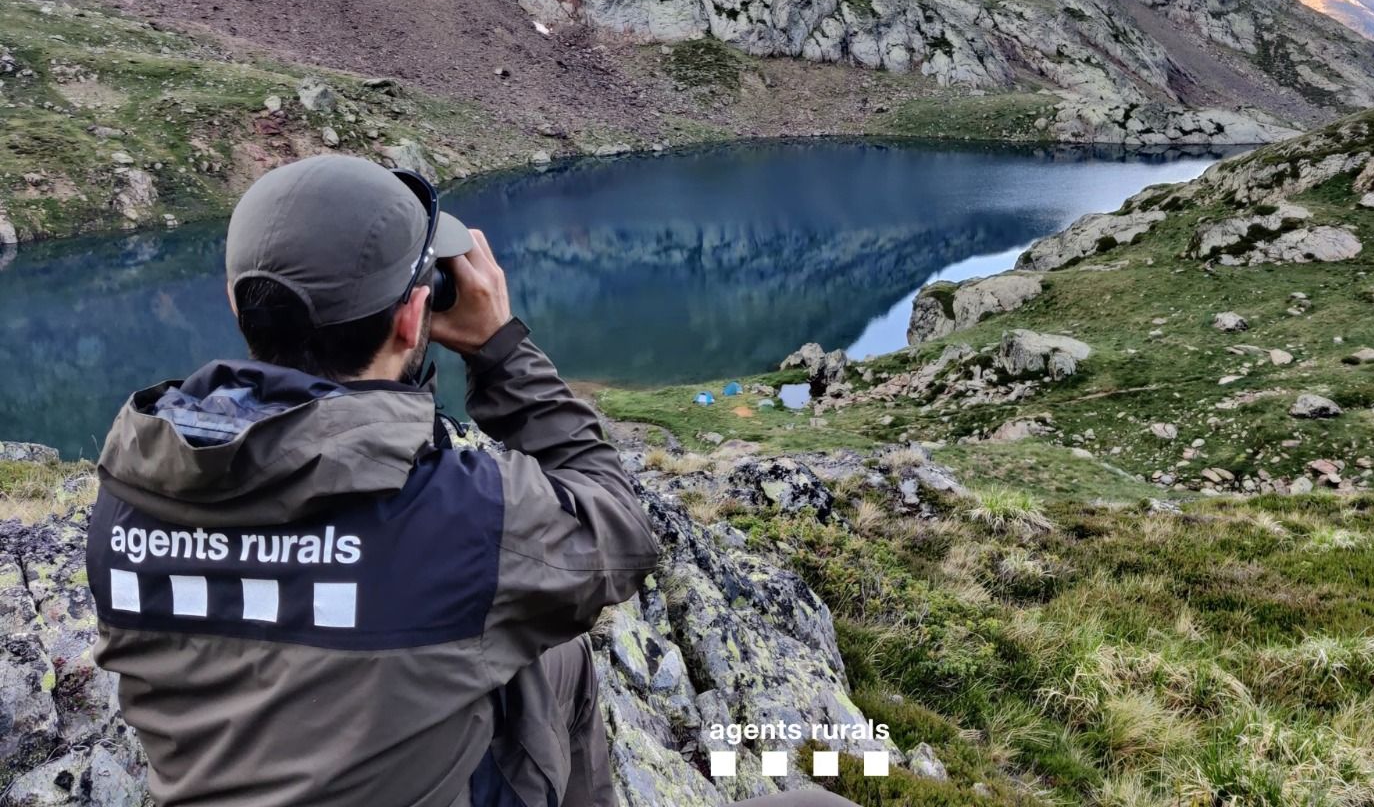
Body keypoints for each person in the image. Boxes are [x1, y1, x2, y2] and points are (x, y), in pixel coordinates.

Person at [86, 155, 857, 807]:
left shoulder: (131, 492)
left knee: (541, 656)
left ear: (237, 304)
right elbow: (619, 529)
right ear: (413, 317)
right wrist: (498, 348)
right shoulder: (459, 517)